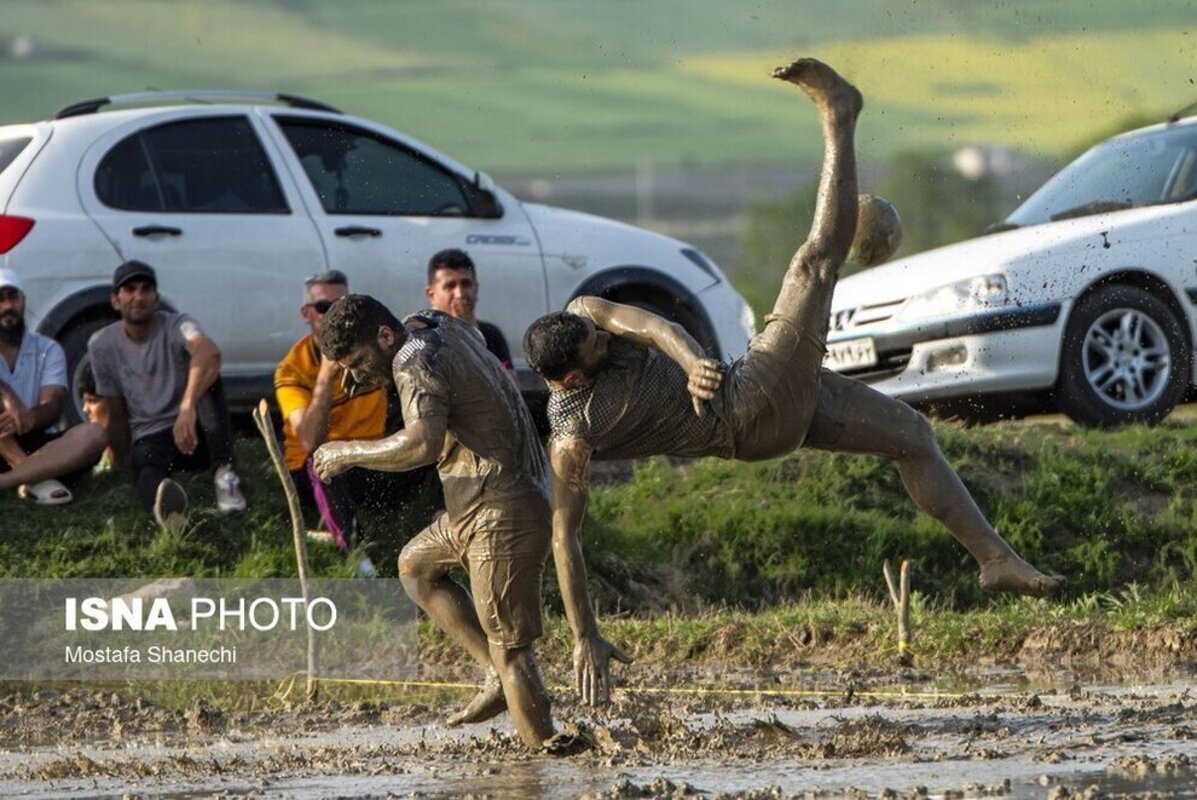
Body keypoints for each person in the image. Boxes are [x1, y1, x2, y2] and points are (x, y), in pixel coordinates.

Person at [522, 58, 1065, 707]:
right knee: (811, 264)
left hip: (761, 403)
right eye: (596, 349)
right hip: (749, 410)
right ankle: (839, 114)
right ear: (574, 375)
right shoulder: (571, 438)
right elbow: (563, 536)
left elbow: (648, 323)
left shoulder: (585, 315)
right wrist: (583, 635)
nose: (604, 339)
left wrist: (692, 356)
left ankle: (993, 559)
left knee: (910, 436)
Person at [312, 296, 555, 750]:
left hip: (502, 509)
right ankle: (494, 675)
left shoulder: (412, 365)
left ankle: (543, 761)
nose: (353, 379)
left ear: (385, 337)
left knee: (513, 650)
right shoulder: (434, 323)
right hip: (483, 501)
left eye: (358, 362)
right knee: (415, 568)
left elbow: (420, 444)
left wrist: (346, 452)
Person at [275, 270, 430, 551]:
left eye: (339, 305)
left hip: (374, 460)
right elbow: (309, 441)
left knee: (434, 428)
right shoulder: (292, 368)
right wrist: (325, 377)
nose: (333, 314)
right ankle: (355, 552)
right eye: (323, 307)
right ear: (306, 314)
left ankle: (447, 520)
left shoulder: (368, 344)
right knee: (320, 461)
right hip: (320, 472)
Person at [87, 260, 246, 532]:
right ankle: (170, 515)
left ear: (156, 298)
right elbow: (113, 406)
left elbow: (209, 352)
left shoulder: (178, 325)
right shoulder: (101, 344)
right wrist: (120, 458)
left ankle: (225, 474)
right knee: (145, 467)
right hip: (151, 436)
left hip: (195, 432)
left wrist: (187, 407)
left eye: (146, 289)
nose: (139, 297)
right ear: (115, 300)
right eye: (130, 290)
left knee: (209, 376)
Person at [0, 269, 107, 503]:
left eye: (12, 297)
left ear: (23, 301)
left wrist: (29, 418)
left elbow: (53, 405)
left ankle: (14, 479)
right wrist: (9, 398)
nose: (7, 306)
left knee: (94, 434)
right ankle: (34, 476)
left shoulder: (48, 349)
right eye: (0, 299)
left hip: (39, 442)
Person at [425, 248, 513, 369]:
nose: (460, 294)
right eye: (450, 286)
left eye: (466, 284)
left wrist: (470, 329)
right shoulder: (424, 338)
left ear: (476, 289)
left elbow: (510, 384)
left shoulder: (491, 334)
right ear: (431, 295)